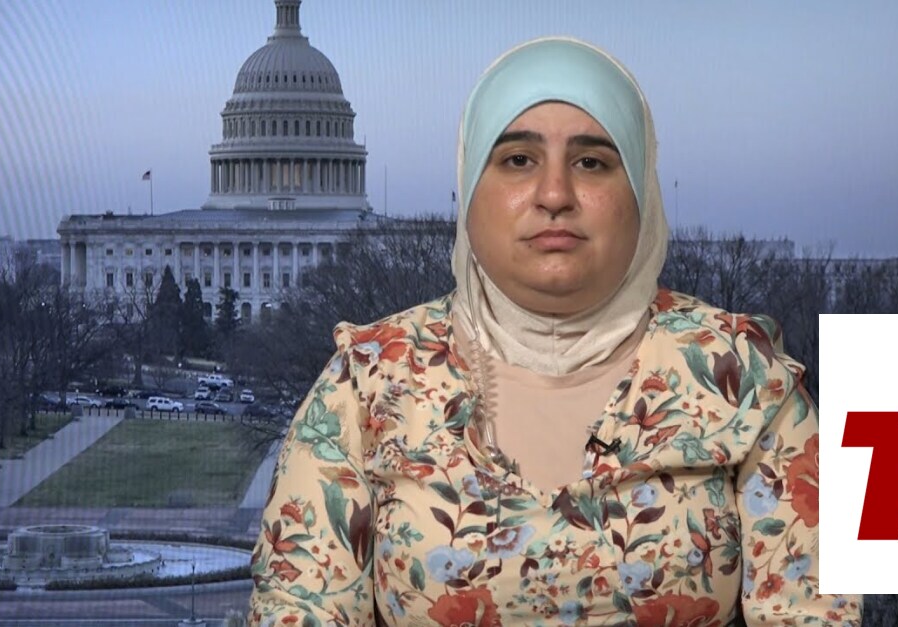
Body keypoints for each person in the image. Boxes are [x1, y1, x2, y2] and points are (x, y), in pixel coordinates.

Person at [248, 37, 862, 626]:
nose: (554, 194)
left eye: (591, 162)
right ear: (468, 188)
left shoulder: (747, 377)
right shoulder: (365, 381)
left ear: (641, 190)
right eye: (518, 160)